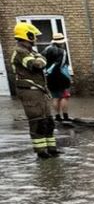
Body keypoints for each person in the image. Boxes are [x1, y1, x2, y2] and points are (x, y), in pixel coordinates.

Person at [10, 23, 59, 158]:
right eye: (34, 36)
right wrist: (41, 59)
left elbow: (42, 60)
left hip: (39, 90)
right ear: (27, 35)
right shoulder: (20, 51)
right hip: (29, 91)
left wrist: (41, 59)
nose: (36, 39)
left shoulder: (31, 51)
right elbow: (37, 65)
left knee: (48, 120)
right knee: (37, 120)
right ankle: (41, 152)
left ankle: (52, 148)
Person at [42, 33, 72, 122]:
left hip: (50, 76)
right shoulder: (62, 51)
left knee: (55, 97)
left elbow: (42, 62)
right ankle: (65, 116)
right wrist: (69, 78)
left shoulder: (46, 50)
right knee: (64, 96)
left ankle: (57, 116)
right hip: (61, 75)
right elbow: (62, 65)